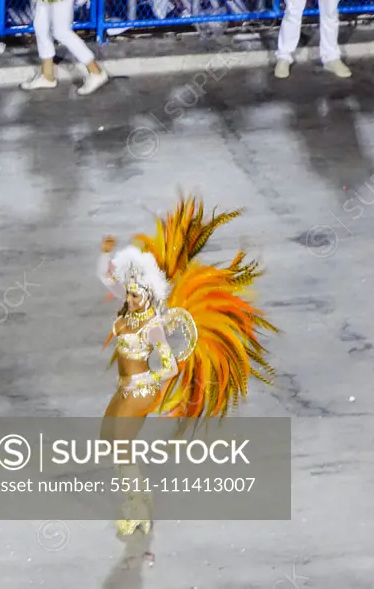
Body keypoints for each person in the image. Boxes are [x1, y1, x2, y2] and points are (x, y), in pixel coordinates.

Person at [97, 195, 277, 536]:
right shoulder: (127, 317)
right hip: (125, 389)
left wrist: (144, 380)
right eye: (130, 294)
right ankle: (139, 498)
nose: (131, 299)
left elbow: (171, 369)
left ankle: (138, 510)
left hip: (141, 391)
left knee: (121, 449)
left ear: (149, 296)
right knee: (107, 438)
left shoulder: (152, 327)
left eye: (136, 295)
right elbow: (109, 279)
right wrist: (107, 254)